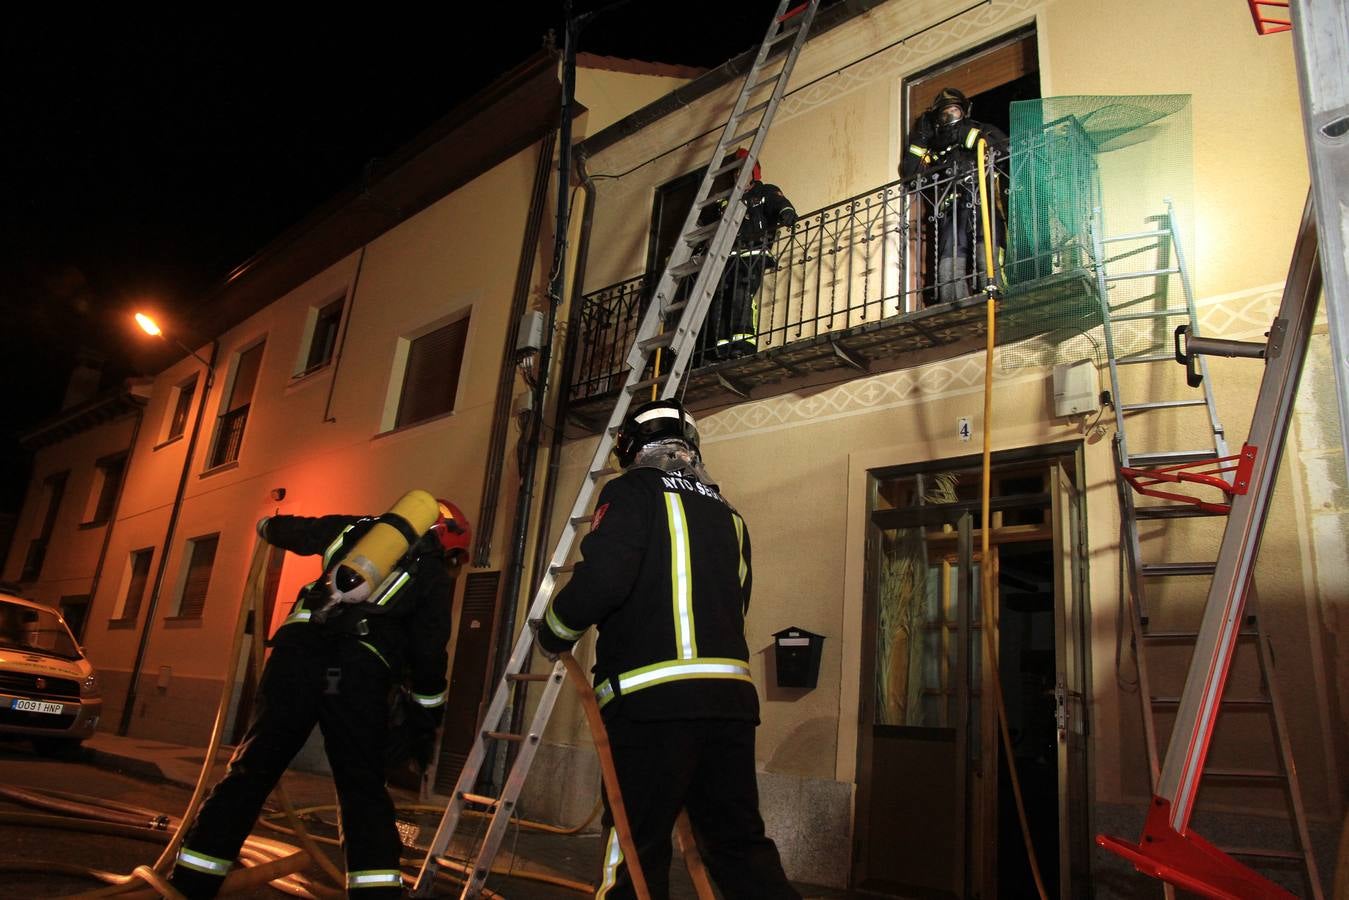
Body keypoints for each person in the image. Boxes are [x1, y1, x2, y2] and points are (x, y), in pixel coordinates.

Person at [534, 399, 799, 900]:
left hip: (651, 707)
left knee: (635, 849)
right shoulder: (730, 514)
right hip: (730, 707)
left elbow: (603, 580)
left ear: (632, 448)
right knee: (738, 846)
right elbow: (737, 600)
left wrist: (553, 632)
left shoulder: (630, 492)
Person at [168, 498, 471, 900]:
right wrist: (426, 716)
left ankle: (190, 882)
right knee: (361, 785)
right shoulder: (431, 571)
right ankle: (376, 895)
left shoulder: (355, 529)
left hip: (296, 658)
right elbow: (430, 653)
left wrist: (267, 526)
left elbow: (301, 531)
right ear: (445, 539)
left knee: (252, 769)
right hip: (356, 674)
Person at [900, 87, 1008, 303]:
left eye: (954, 110)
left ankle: (994, 296)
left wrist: (970, 136)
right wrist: (920, 139)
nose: (950, 116)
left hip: (982, 200)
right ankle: (953, 303)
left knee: (987, 250)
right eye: (945, 112)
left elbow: (1004, 150)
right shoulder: (933, 148)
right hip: (950, 207)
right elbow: (911, 175)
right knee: (950, 257)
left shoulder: (981, 129)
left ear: (964, 111)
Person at [697, 148, 796, 361]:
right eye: (735, 171)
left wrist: (787, 213)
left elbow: (779, 203)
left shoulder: (765, 192)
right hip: (725, 260)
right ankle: (720, 349)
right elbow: (706, 225)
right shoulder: (725, 200)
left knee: (741, 295)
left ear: (754, 172)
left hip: (751, 255)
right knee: (719, 300)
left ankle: (743, 345)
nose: (738, 175)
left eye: (743, 170)